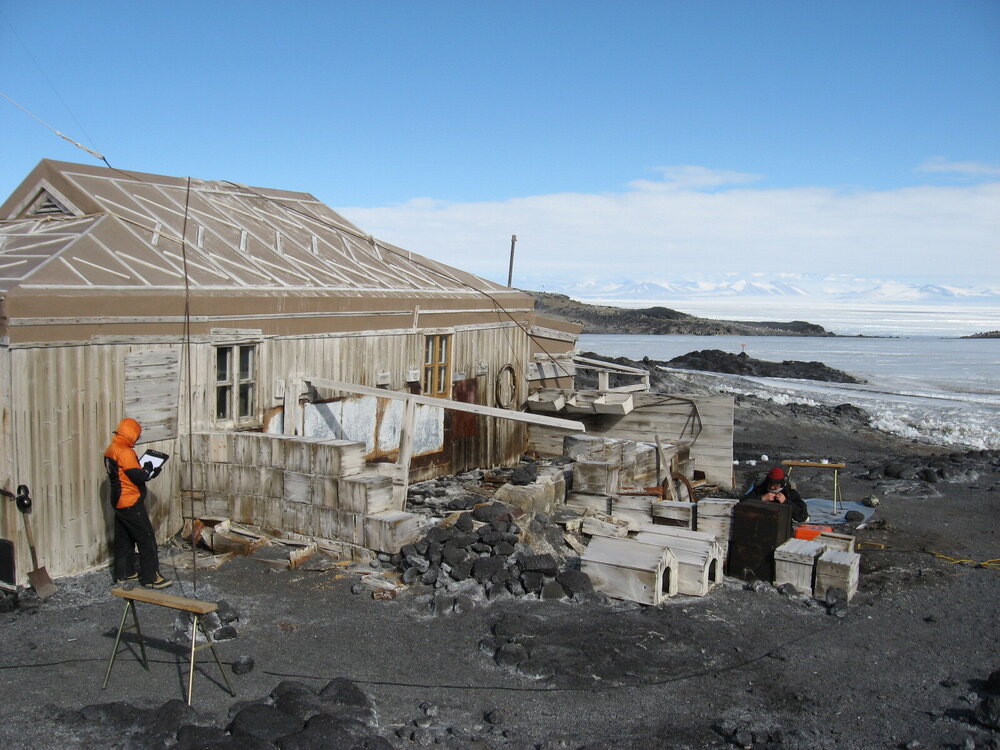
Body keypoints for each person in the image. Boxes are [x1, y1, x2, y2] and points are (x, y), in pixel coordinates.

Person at [103, 417, 172, 589]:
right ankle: (151, 577)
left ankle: (124, 573)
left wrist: (147, 472)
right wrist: (148, 469)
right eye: (137, 434)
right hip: (130, 501)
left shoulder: (111, 449)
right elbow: (138, 476)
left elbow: (125, 474)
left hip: (118, 501)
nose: (138, 438)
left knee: (124, 538)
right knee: (146, 538)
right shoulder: (125, 452)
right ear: (130, 434)